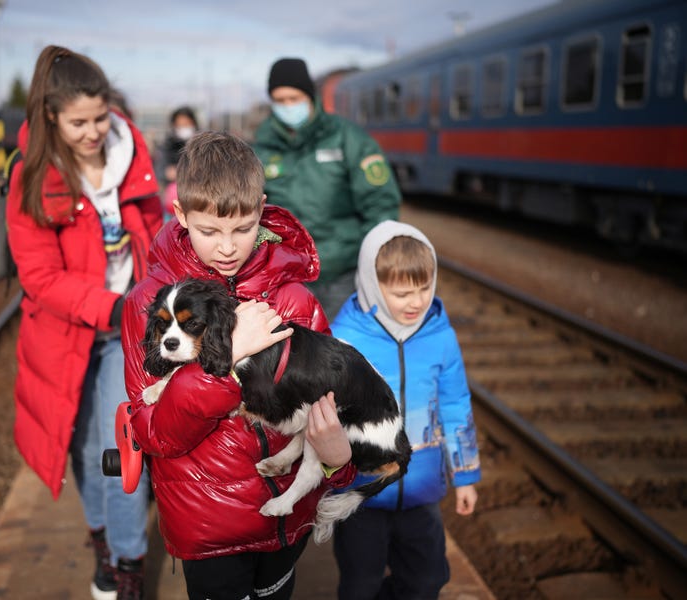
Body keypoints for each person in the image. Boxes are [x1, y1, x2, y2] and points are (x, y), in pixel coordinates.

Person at [121, 131, 357, 600]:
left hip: (287, 523)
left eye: (243, 228)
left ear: (261, 209)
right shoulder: (151, 304)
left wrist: (338, 461)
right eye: (209, 231)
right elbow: (153, 432)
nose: (228, 246)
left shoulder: (292, 299)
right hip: (209, 529)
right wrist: (226, 363)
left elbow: (332, 401)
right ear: (181, 215)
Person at [5, 45, 162, 600]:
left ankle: (127, 570)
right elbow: (41, 278)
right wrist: (110, 306)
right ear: (50, 117)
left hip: (126, 334)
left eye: (101, 117)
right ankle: (102, 544)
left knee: (118, 453)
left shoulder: (130, 153)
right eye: (79, 123)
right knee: (82, 455)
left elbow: (155, 229)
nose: (94, 131)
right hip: (65, 336)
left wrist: (145, 300)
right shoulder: (33, 177)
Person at [328, 220, 481, 600]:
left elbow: (455, 403)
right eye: (401, 293)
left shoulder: (440, 336)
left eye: (424, 288)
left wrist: (465, 474)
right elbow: (325, 414)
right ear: (371, 285)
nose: (416, 302)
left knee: (427, 581)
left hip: (420, 492)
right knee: (359, 584)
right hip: (360, 494)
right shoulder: (345, 339)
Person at [253, 57, 403, 319]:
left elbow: (380, 202)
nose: (288, 106)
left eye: (294, 98)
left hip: (343, 273)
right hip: (286, 276)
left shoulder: (348, 138)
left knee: (340, 348)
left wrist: (371, 259)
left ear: (310, 96)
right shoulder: (261, 148)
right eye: (280, 100)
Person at [155, 106, 199, 220]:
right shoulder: (167, 146)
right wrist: (166, 173)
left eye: (187, 124)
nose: (184, 128)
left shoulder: (202, 146)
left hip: (198, 199)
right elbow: (159, 170)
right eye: (180, 125)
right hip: (172, 201)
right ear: (174, 126)